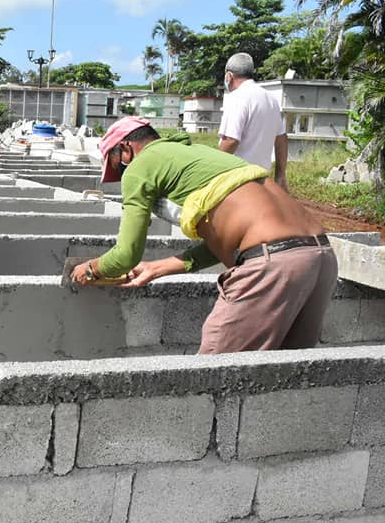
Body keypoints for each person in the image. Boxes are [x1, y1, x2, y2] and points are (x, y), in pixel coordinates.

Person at [71, 116, 337, 355]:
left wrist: (91, 269)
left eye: (116, 164)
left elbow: (126, 256)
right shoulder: (201, 155)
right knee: (285, 374)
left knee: (211, 375)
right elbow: (228, 241)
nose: (121, 174)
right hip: (319, 256)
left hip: (272, 264)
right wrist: (158, 267)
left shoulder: (141, 166)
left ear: (126, 148)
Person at [218, 52, 288, 189]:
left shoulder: (237, 97)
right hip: (262, 179)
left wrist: (213, 166)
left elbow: (231, 140)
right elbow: (281, 139)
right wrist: (280, 176)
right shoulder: (271, 99)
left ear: (229, 76)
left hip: (238, 179)